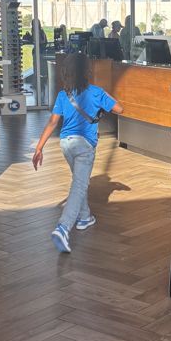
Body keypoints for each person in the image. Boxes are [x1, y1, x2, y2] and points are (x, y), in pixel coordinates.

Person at [32, 53, 122, 253]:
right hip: (84, 146)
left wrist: (39, 148)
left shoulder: (64, 94)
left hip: (66, 144)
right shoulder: (97, 92)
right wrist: (106, 95)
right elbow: (119, 109)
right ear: (86, 72)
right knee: (79, 185)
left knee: (79, 183)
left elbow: (53, 122)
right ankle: (63, 228)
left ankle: (84, 217)